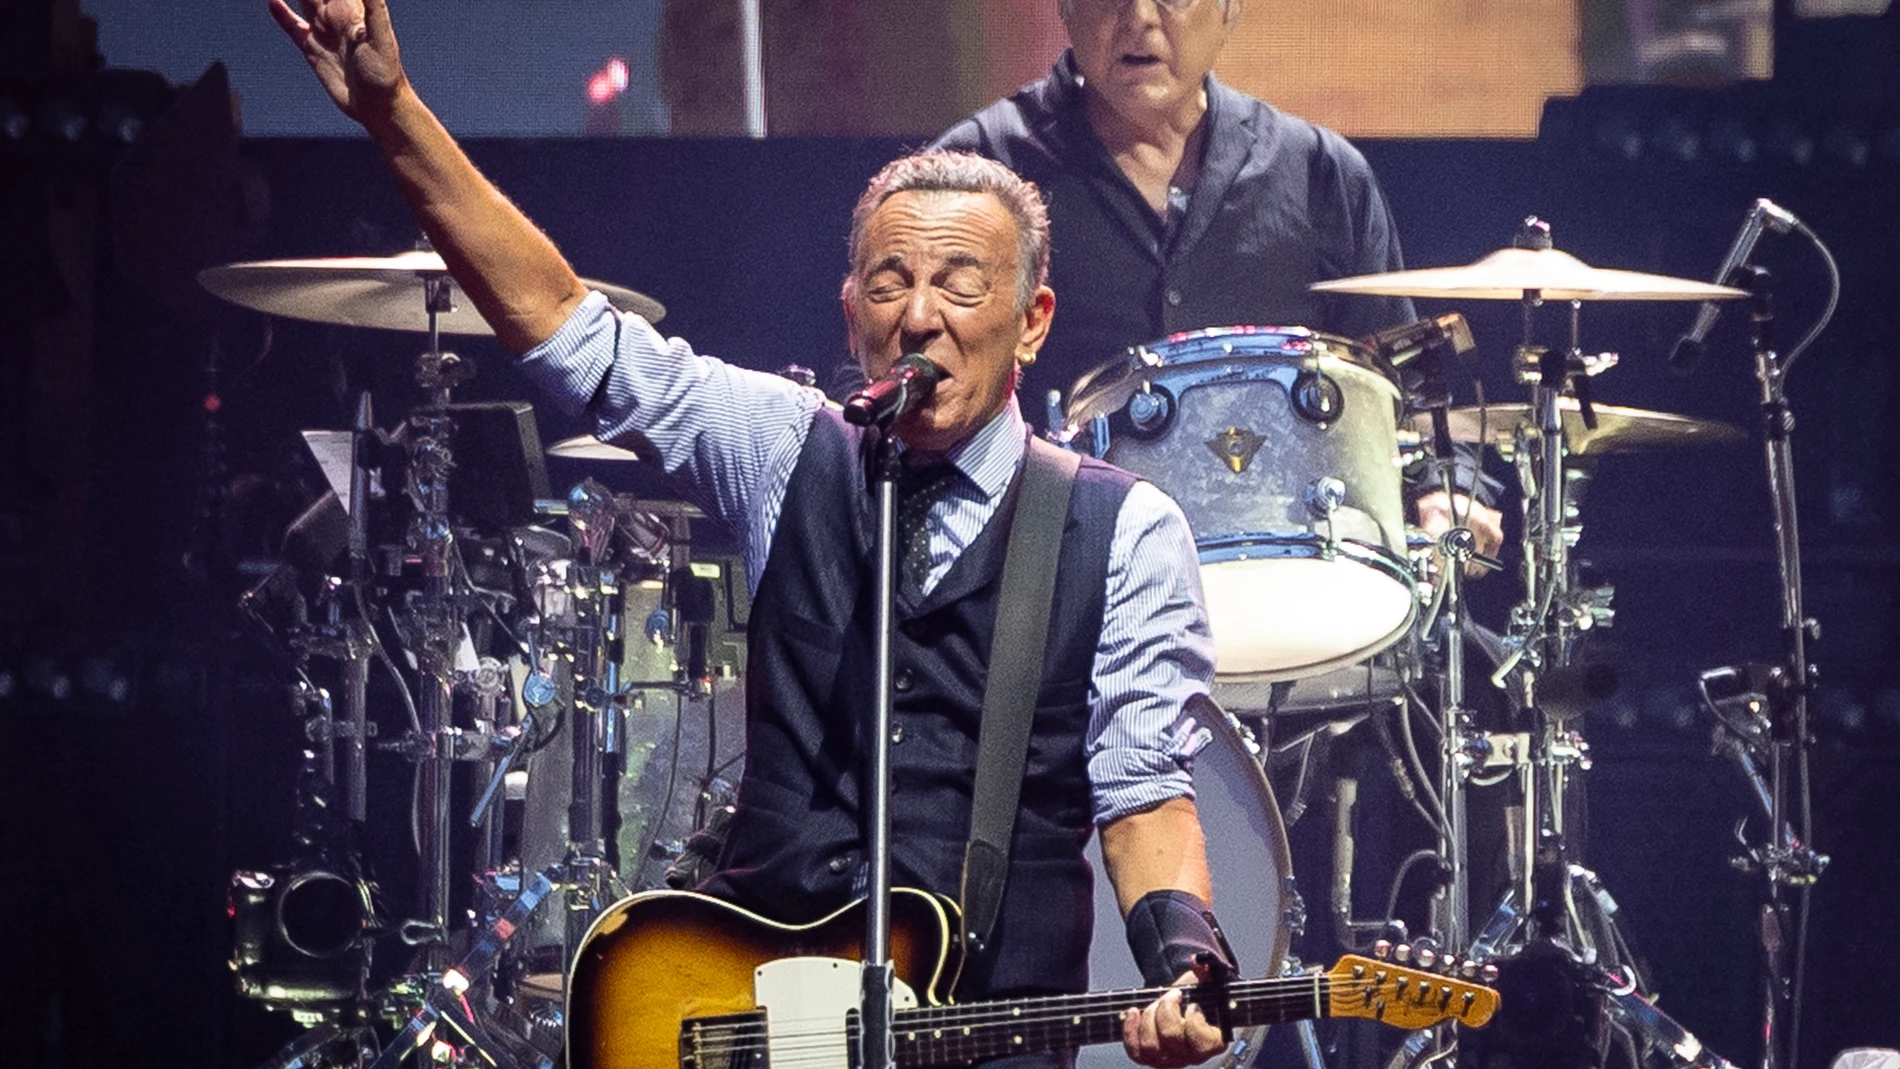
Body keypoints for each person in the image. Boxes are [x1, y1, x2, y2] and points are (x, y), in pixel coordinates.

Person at [270, 2, 1237, 1065]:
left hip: (980, 1035)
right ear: (850, 313)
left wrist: (1181, 957)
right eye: (890, 283)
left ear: (1033, 320)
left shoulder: (1123, 530)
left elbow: (1143, 789)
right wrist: (391, 110)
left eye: (960, 286)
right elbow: (566, 325)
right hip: (756, 1018)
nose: (921, 316)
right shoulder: (785, 446)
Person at [881, 0, 1506, 550]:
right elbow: (891, 373)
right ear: (1065, 9)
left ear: (1231, 10)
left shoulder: (1321, 175)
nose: (1140, 19)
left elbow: (1392, 385)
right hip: (1053, 570)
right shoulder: (976, 171)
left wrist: (1447, 489)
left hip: (1285, 566)